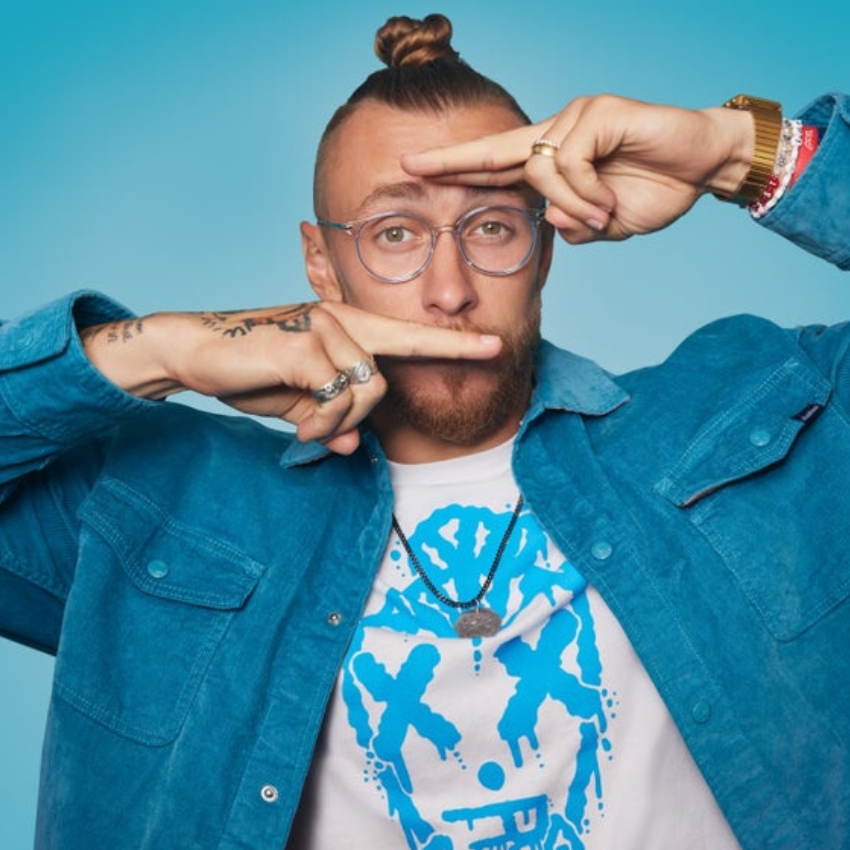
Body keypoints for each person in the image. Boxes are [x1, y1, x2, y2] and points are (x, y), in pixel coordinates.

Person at [0, 11, 847, 850]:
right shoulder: (160, 507)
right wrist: (159, 348)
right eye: (394, 233)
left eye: (491, 227)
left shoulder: (764, 415)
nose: (449, 289)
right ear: (320, 264)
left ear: (545, 250)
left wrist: (749, 152)